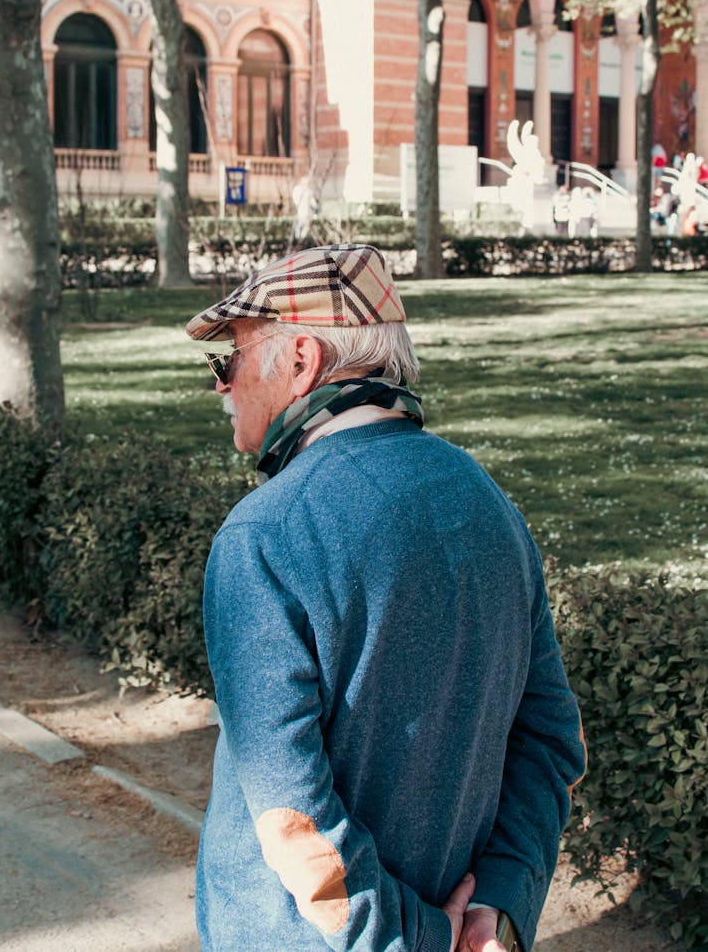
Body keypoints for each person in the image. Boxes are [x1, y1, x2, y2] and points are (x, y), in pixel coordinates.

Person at [186, 244, 587, 952]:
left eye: (230, 361)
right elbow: (551, 739)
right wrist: (499, 900)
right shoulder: (489, 503)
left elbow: (293, 819)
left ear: (303, 359)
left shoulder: (265, 534)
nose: (221, 385)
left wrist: (423, 936)